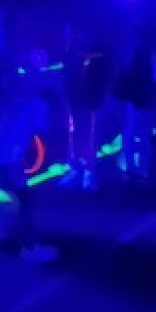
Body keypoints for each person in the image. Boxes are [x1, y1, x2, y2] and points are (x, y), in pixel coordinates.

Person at [0, 92, 58, 264]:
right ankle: (29, 249)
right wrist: (48, 161)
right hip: (6, 157)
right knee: (26, 201)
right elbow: (41, 138)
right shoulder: (41, 105)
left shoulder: (21, 97)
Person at [61, 25, 113, 191]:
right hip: (74, 99)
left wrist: (97, 96)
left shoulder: (93, 55)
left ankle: (89, 173)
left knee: (90, 135)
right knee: (74, 134)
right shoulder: (69, 54)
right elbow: (67, 78)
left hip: (89, 100)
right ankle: (76, 169)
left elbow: (100, 76)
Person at [114, 27, 156, 182]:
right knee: (141, 136)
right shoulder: (145, 54)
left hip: (136, 100)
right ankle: (140, 170)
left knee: (131, 135)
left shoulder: (132, 54)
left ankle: (134, 170)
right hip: (143, 99)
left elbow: (126, 78)